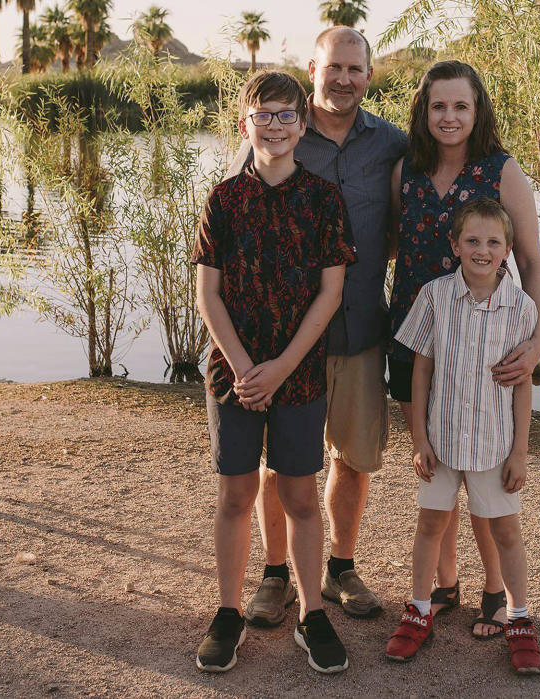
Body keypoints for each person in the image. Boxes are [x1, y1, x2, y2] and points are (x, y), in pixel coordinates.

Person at [226, 26, 407, 625]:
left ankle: (340, 568)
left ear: (369, 75)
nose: (345, 79)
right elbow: (233, 225)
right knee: (281, 465)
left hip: (357, 330)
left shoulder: (392, 145)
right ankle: (275, 574)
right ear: (313, 69)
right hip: (282, 340)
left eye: (356, 69)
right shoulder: (279, 130)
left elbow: (415, 224)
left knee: (353, 459)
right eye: (335, 67)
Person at [192, 70, 357, 675]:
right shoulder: (222, 199)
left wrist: (281, 368)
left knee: (299, 494)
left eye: (288, 115)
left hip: (300, 374)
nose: (277, 125)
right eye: (265, 114)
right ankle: (229, 612)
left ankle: (312, 613)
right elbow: (208, 295)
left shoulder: (323, 200)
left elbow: (330, 294)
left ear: (303, 124)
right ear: (246, 124)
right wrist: (243, 368)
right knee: (236, 493)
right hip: (231, 374)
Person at [387, 60, 540, 639]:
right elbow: (390, 243)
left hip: (487, 342)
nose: (449, 117)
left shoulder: (501, 172)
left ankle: (496, 592)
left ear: (477, 111)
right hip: (419, 334)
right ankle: (442, 586)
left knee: (483, 471)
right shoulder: (407, 169)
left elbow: (530, 261)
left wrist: (537, 341)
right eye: (438, 106)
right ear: (423, 111)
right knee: (437, 463)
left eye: (461, 106)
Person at [386, 197, 540, 674]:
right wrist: (419, 438)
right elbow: (420, 370)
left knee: (506, 532)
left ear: (507, 249)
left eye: (493, 242)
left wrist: (520, 451)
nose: (482, 250)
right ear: (454, 245)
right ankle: (418, 609)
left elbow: (520, 386)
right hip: (441, 439)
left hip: (494, 444)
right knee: (431, 523)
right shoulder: (434, 296)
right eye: (472, 241)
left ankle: (518, 618)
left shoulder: (521, 308)